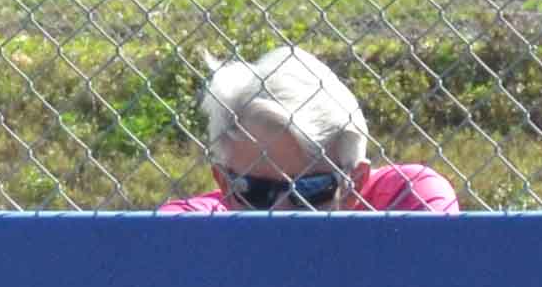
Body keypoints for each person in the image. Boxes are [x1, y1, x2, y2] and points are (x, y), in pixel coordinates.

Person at [159, 45, 457, 213]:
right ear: (225, 184)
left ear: (354, 182)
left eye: (310, 190)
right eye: (256, 191)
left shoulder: (404, 196)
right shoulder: (191, 225)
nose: (281, 213)